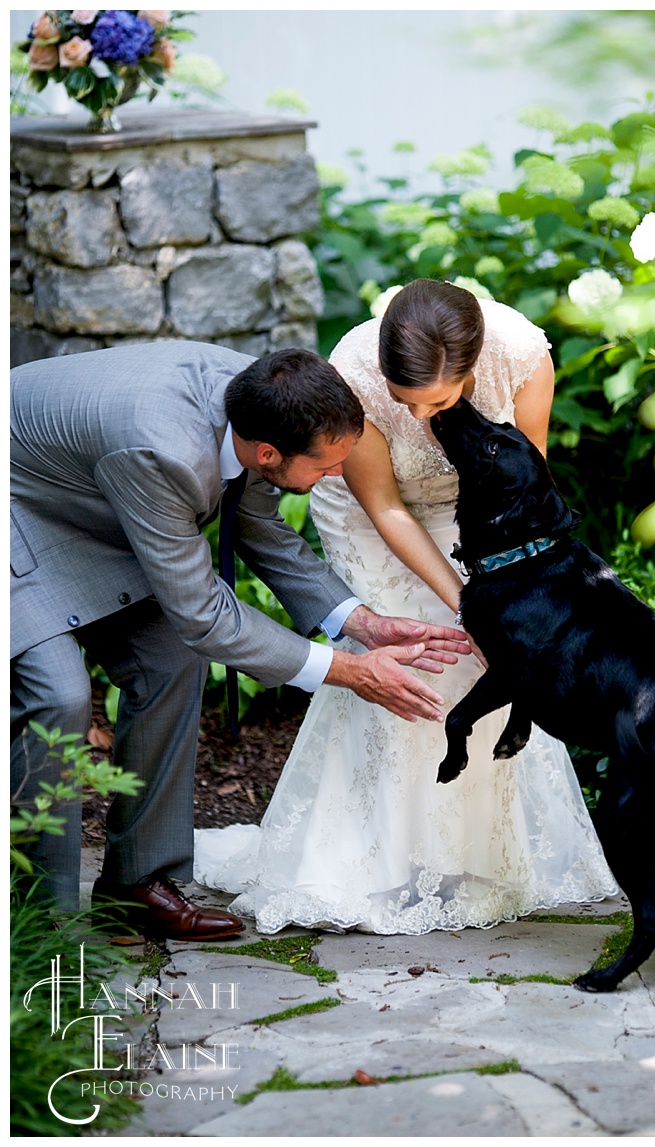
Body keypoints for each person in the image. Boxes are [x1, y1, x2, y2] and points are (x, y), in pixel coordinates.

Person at [195, 281, 619, 933]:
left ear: (473, 374)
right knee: (415, 651)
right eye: (403, 402)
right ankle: (370, 860)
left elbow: (523, 487)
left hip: (471, 512)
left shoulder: (524, 357)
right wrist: (469, 605)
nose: (421, 420)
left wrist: (510, 597)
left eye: (440, 404)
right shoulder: (356, 370)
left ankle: (469, 854)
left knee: (486, 667)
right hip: (373, 516)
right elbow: (387, 506)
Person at [11, 344, 471, 937]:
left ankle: (134, 885)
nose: (337, 477)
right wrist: (352, 672)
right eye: (327, 467)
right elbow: (202, 613)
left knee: (172, 661)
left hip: (86, 497)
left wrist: (364, 625)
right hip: (16, 499)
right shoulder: (166, 452)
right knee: (60, 697)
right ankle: (33, 919)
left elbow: (259, 527)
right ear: (268, 453)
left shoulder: (265, 399)